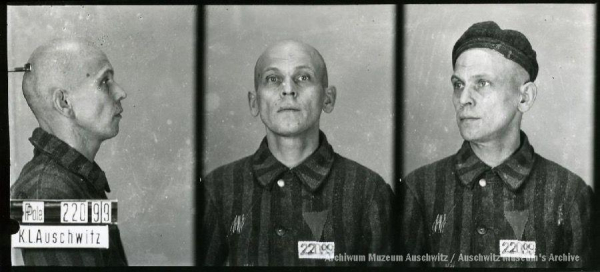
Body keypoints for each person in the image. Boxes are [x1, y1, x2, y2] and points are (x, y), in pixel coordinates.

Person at [399, 21, 594, 268]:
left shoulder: (571, 196)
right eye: (458, 85)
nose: (464, 99)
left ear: (524, 97)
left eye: (482, 83)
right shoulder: (418, 191)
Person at [201, 40, 394, 266]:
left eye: (303, 77)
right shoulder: (217, 190)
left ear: (328, 98)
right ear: (254, 102)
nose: (288, 89)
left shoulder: (369, 192)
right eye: (273, 79)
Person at [10, 38, 128, 266]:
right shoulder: (49, 193)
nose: (121, 92)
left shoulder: (70, 180)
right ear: (64, 102)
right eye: (104, 81)